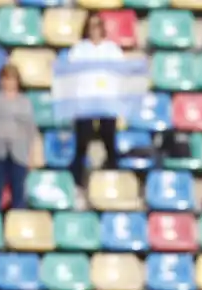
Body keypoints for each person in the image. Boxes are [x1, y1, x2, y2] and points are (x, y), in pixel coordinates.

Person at [66, 14, 122, 189]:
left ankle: (113, 182)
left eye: (98, 25)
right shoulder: (78, 50)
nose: (95, 29)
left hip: (107, 104)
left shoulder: (112, 49)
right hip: (84, 104)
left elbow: (121, 74)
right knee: (82, 145)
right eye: (91, 26)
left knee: (110, 144)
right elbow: (70, 75)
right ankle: (76, 184)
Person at [0, 64, 37, 212]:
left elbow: (30, 129)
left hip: (19, 151)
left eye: (12, 79)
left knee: (19, 192)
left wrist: (31, 154)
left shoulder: (25, 102)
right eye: (5, 78)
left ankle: (17, 226)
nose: (9, 82)